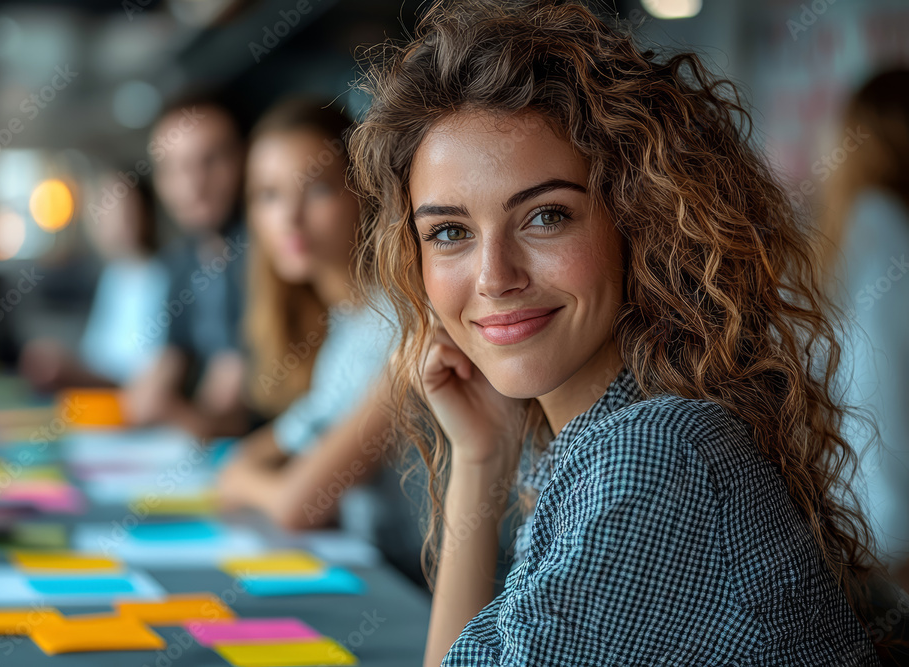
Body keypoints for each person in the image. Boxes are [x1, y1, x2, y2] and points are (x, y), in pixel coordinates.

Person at [348, 1, 890, 664]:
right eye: (451, 232)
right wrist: (480, 453)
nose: (493, 276)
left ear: (639, 224)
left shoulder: (652, 457)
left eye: (546, 216)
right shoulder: (612, 436)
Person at [215, 99, 405, 545]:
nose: (289, 219)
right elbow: (266, 449)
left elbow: (298, 505)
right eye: (269, 195)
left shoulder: (399, 325)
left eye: (317, 189)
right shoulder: (346, 324)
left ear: (365, 193)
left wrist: (244, 481)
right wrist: (246, 473)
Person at [822, 69, 909, 593]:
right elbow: (878, 386)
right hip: (887, 531)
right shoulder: (883, 225)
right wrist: (897, 532)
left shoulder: (867, 222)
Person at [122, 96, 250, 438]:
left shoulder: (267, 256)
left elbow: (226, 407)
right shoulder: (181, 261)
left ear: (244, 159)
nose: (192, 184)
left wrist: (175, 413)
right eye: (173, 168)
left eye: (210, 161)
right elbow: (167, 361)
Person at [19, 173, 168, 391]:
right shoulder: (113, 276)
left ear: (144, 213)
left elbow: (142, 376)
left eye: (120, 210)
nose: (109, 220)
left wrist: (74, 373)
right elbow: (97, 356)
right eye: (103, 208)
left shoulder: (161, 278)